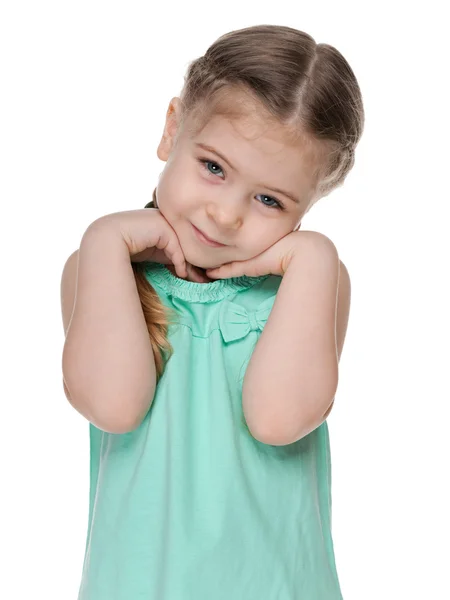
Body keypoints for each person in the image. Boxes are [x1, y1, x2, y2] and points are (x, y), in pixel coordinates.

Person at [60, 24, 364, 600]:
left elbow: (278, 419)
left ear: (310, 205)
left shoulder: (309, 283)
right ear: (173, 128)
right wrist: (103, 240)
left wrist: (318, 256)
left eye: (270, 200)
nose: (226, 216)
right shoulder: (101, 270)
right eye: (214, 167)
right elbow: (112, 405)